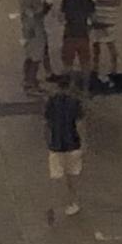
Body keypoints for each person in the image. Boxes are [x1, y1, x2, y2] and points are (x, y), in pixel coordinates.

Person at [45, 76, 85, 217]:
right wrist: (84, 143)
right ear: (70, 86)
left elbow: (48, 124)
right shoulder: (75, 103)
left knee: (56, 175)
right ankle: (74, 202)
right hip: (73, 144)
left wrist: (48, 141)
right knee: (73, 175)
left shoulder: (52, 102)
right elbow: (79, 124)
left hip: (56, 144)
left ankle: (53, 205)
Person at [59, 0, 95, 85]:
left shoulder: (66, 1)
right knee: (85, 63)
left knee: (67, 63)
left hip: (70, 34)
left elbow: (61, 18)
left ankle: (68, 87)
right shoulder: (88, 1)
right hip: (83, 35)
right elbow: (93, 19)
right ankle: (85, 88)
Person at [20, 0, 53, 95]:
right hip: (36, 30)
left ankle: (26, 79)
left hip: (27, 29)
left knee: (29, 56)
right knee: (36, 58)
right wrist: (48, 3)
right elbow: (40, 13)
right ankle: (31, 84)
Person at [89, 0, 120, 78]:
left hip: (108, 19)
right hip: (97, 18)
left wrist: (100, 2)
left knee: (111, 45)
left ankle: (114, 70)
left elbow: (117, 1)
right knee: (96, 45)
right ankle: (94, 69)